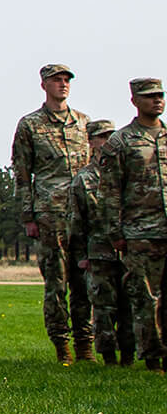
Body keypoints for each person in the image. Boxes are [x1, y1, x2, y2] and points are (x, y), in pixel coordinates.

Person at [12, 65, 93, 363]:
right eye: (57, 80)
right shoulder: (30, 125)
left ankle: (87, 343)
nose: (63, 85)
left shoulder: (83, 123)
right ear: (44, 84)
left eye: (66, 80)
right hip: (49, 216)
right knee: (56, 284)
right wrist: (28, 217)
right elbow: (22, 174)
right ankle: (63, 346)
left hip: (82, 216)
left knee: (84, 282)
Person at [99, 78, 167, 372]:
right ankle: (153, 358)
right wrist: (116, 232)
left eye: (160, 95)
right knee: (145, 299)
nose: (157, 100)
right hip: (141, 232)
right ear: (135, 101)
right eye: (150, 96)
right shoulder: (121, 141)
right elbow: (109, 190)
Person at [68, 120, 133, 366]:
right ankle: (108, 358)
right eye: (101, 137)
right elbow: (76, 223)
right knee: (104, 309)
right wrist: (80, 257)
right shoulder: (83, 180)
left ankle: (128, 357)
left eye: (110, 136)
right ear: (91, 141)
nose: (107, 142)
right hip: (98, 253)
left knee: (128, 307)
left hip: (128, 252)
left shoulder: (127, 174)